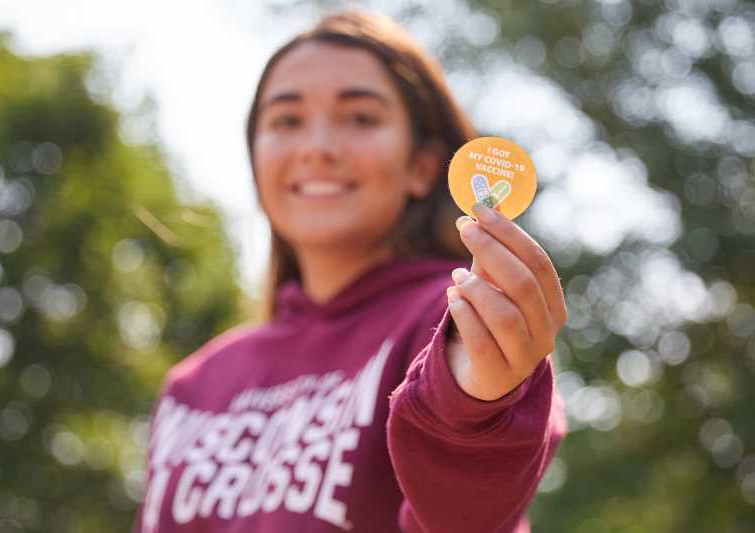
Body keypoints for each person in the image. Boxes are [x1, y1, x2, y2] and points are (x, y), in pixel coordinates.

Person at [134, 10, 568, 533]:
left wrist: (474, 407)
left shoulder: (452, 315)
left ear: (422, 167)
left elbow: (466, 518)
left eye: (360, 118)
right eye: (287, 121)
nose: (317, 147)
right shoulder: (193, 384)